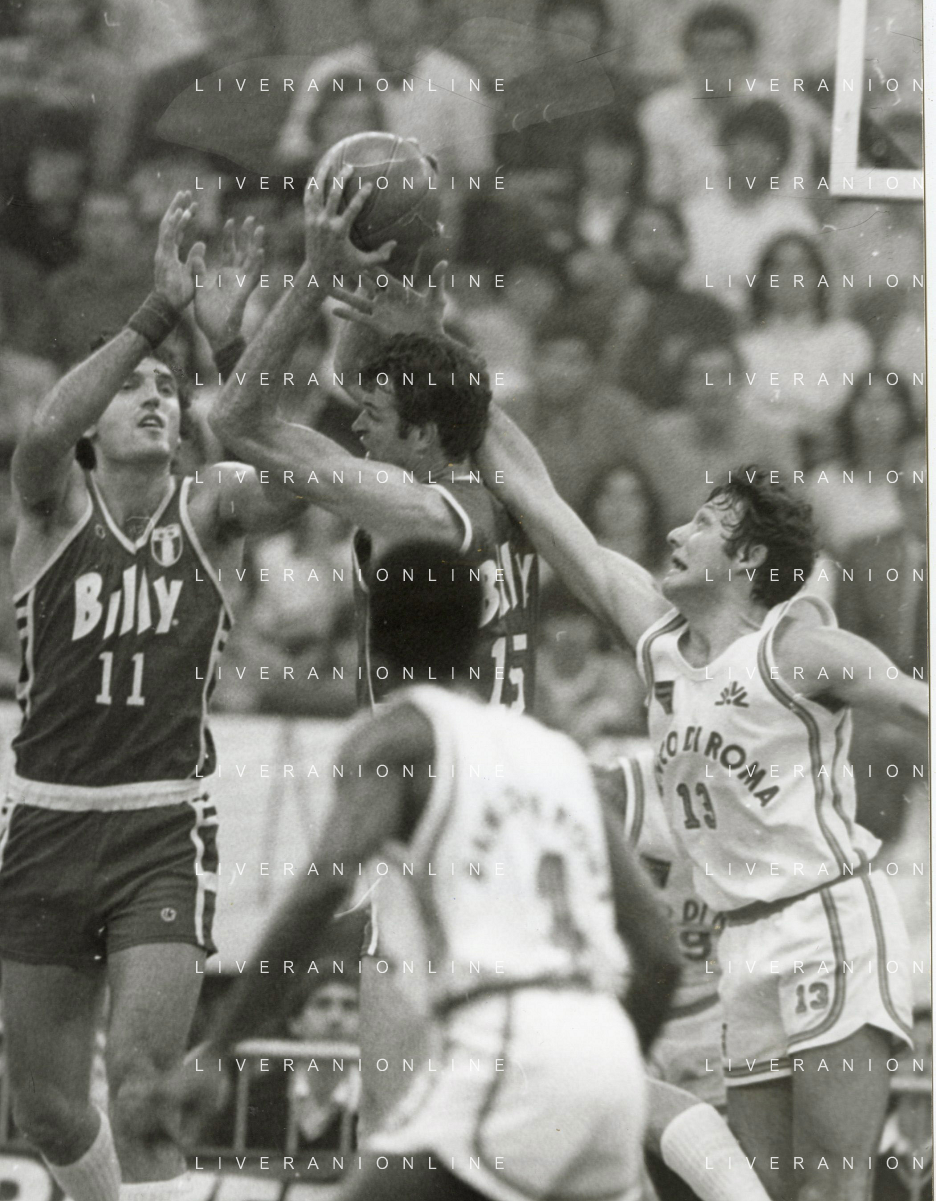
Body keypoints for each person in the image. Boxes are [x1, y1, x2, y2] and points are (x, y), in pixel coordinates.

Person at [0, 189, 377, 1201]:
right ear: (97, 425)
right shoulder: (50, 507)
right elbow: (46, 424)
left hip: (160, 827)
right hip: (44, 821)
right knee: (48, 1107)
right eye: (134, 387)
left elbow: (292, 473)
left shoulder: (207, 507)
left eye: (169, 389)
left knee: (140, 1087)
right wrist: (157, 315)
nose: (155, 396)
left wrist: (245, 332)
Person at [475, 409, 924, 1201]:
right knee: (766, 1189)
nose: (677, 532)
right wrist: (460, 388)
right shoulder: (657, 641)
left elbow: (916, 702)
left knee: (832, 1184)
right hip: (739, 941)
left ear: (746, 558)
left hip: (826, 919)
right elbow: (545, 506)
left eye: (706, 523)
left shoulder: (796, 651)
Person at [158, 538, 682, 1201]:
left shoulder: (400, 736)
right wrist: (602, 1071)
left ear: (373, 640)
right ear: (480, 639)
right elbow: (660, 953)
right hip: (611, 1056)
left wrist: (220, 1046)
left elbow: (324, 886)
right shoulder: (559, 753)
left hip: (513, 1043)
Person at [208, 180, 539, 711]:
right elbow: (352, 375)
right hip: (506, 744)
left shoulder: (416, 507)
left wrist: (317, 274)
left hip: (434, 751)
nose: (358, 427)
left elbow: (238, 422)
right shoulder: (519, 481)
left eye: (374, 416)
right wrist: (385, 261)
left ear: (424, 434)